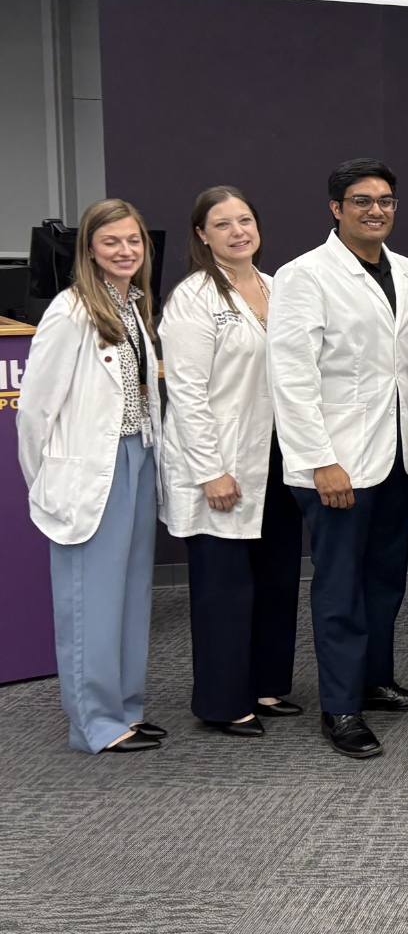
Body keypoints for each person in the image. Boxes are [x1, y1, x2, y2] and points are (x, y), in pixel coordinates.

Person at [269, 158, 408, 759]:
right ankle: (340, 706)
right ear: (336, 209)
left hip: (394, 457)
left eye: (387, 200)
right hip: (336, 462)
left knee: (385, 579)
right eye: (362, 200)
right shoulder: (303, 277)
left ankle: (375, 681)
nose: (377, 210)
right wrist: (320, 460)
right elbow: (290, 378)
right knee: (340, 585)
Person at [17, 199, 166, 753]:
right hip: (90, 471)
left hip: (137, 459)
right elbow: (35, 412)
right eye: (111, 243)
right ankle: (93, 724)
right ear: (89, 251)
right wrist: (48, 480)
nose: (125, 251)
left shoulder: (133, 307)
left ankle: (124, 708)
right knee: (90, 601)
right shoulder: (70, 310)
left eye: (133, 241)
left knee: (129, 597)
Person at [161, 186, 303, 738]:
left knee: (275, 575)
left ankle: (265, 684)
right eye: (222, 224)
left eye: (245, 220)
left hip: (274, 453)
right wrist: (210, 471)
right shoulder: (194, 299)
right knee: (225, 587)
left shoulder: (276, 288)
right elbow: (188, 393)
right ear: (202, 235)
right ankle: (223, 701)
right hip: (221, 459)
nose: (238, 231)